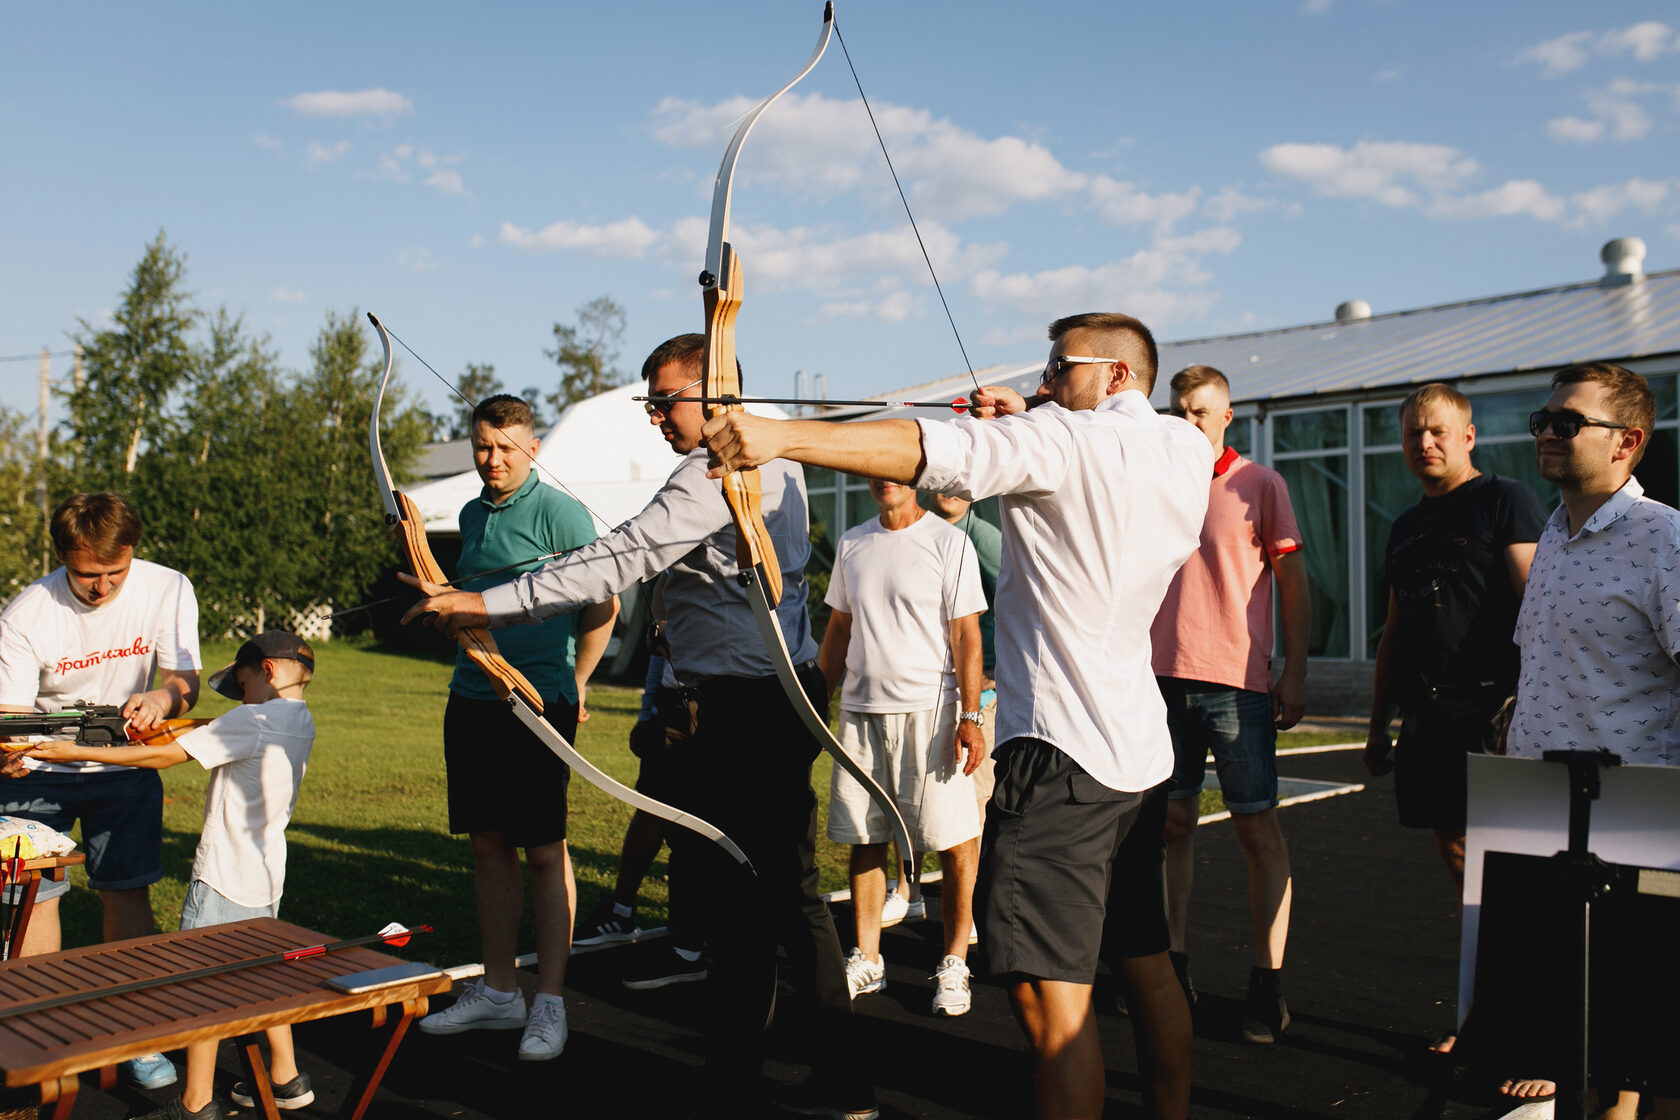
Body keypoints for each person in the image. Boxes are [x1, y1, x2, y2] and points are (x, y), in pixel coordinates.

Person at [699, 312, 1213, 1120]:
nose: (1044, 383)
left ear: (1115, 373)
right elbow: (1089, 461)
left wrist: (776, 435)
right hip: (1140, 751)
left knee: (1056, 1012)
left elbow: (925, 450)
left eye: (1058, 369)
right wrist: (1035, 417)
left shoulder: (1063, 442)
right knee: (1147, 963)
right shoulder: (1185, 445)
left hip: (1063, 754)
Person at [403, 335, 876, 1120]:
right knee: (783, 898)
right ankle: (829, 1076)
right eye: (650, 402)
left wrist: (481, 604)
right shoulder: (781, 464)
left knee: (740, 901)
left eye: (666, 400)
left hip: (738, 713)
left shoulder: (715, 474)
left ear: (715, 390)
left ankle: (740, 1080)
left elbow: (611, 562)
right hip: (769, 701)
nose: (655, 415)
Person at [24, 631, 318, 1120]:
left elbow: (163, 757)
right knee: (265, 976)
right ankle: (286, 1078)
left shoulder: (251, 718)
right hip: (266, 873)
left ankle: (196, 1103)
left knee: (196, 990)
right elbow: (194, 736)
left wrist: (75, 754)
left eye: (241, 683)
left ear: (265, 671)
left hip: (224, 875)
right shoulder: (299, 719)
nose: (239, 696)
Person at [415, 394, 617, 1063]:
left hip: (537, 698)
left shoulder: (560, 511)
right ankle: (499, 992)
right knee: (486, 845)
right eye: (483, 446)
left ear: (531, 447)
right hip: (472, 692)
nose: (493, 459)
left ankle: (550, 1001)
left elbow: (604, 599)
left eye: (506, 447)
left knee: (543, 849)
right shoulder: (473, 512)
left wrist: (577, 681)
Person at [1501, 362, 1679, 1119]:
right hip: (1540, 807)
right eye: (1542, 419)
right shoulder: (1555, 527)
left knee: (1635, 1027)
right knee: (1556, 1016)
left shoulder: (1662, 537)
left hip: (1631, 815)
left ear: (1627, 441)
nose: (1545, 432)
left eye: (1566, 422)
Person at [0, 491, 202, 1090]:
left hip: (127, 765)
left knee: (126, 890)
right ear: (63, 556)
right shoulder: (26, 614)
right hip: (40, 773)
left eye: (116, 572)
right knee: (32, 899)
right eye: (88, 574)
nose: (102, 587)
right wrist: (8, 753)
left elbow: (184, 678)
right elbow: (10, 713)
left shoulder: (167, 587)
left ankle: (134, 1033)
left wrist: (162, 699)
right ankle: (43, 1029)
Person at [1151, 364, 1309, 1044]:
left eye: (1201, 412)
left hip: (1236, 687)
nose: (1189, 421)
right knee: (1172, 828)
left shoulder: (1259, 485)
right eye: (1180, 410)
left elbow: (1294, 581)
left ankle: (1266, 984)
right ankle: (1172, 968)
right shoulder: (1152, 483)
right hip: (1158, 680)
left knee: (1255, 832)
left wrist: (1295, 670)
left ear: (1225, 418)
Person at [1365, 384, 1545, 893]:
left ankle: (1520, 957)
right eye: (1413, 434)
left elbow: (1537, 609)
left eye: (1437, 431)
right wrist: (1378, 725)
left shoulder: (1504, 500)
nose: (1425, 442)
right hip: (1428, 714)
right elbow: (1393, 632)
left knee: (1511, 848)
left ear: (1468, 436)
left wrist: (1528, 712)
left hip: (1494, 709)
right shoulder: (1404, 527)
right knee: (1455, 846)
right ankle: (1486, 957)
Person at [820, 476, 986, 1016]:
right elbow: (838, 631)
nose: (883, 479)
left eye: (895, 470)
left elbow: (967, 634)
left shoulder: (949, 541)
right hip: (861, 712)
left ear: (914, 479)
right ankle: (867, 958)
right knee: (865, 839)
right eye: (875, 470)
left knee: (954, 842)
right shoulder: (852, 543)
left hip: (933, 714)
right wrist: (817, 702)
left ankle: (955, 962)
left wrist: (970, 715)